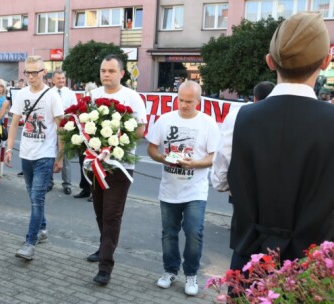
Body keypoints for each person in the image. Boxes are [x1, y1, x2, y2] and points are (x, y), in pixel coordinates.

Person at [212, 12, 334, 274]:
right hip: (314, 272)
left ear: (270, 61)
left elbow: (220, 181)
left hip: (249, 263)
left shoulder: (239, 117)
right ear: (326, 61)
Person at [146, 80, 220, 296]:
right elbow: (151, 148)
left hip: (196, 190)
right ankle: (170, 270)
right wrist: (163, 159)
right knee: (169, 234)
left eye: (189, 101)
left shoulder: (208, 123)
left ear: (198, 100)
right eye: (180, 100)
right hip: (169, 189)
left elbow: (213, 156)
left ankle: (191, 274)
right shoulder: (165, 120)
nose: (184, 105)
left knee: (194, 232)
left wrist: (194, 164)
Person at [86, 54, 147, 285]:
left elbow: (141, 129)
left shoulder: (132, 97)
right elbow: (83, 126)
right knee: (99, 210)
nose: (106, 75)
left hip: (120, 165)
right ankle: (104, 248)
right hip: (95, 164)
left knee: (112, 215)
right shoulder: (93, 96)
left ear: (122, 73)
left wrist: (115, 141)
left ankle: (105, 267)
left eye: (111, 71)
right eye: (103, 70)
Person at [4, 56, 63, 260]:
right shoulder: (21, 94)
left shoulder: (53, 96)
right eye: (27, 72)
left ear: (43, 72)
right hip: (26, 154)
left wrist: (60, 157)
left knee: (37, 199)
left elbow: (61, 128)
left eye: (34, 72)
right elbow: (13, 124)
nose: (30, 76)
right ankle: (43, 228)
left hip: (45, 155)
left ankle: (30, 243)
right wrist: (9, 148)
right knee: (32, 196)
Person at [49, 70, 77, 195]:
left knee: (66, 157)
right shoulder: (49, 93)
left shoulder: (70, 93)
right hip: (51, 129)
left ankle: (67, 184)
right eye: (58, 78)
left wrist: (65, 117)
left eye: (63, 78)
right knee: (49, 156)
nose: (61, 80)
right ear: (53, 80)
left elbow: (75, 110)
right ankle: (49, 182)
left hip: (66, 129)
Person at [74, 82, 98, 201]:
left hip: (95, 141)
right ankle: (85, 189)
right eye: (88, 92)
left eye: (92, 92)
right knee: (83, 164)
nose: (90, 95)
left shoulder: (98, 105)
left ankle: (95, 191)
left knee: (94, 167)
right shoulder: (82, 104)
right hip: (83, 140)